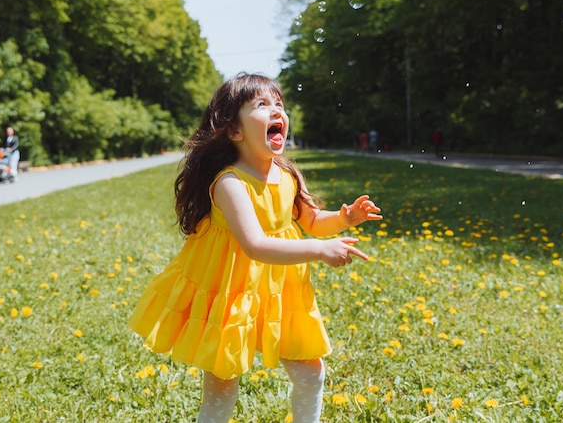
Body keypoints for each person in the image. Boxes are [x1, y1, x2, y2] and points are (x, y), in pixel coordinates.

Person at [128, 73, 382, 423]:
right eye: (262, 105)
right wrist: (320, 251)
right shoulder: (230, 183)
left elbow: (310, 219)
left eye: (279, 103)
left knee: (312, 372)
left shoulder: (287, 174)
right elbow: (256, 245)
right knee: (222, 387)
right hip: (230, 290)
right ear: (234, 131)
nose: (276, 109)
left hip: (279, 290)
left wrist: (345, 217)